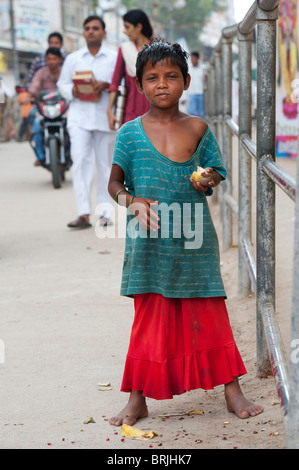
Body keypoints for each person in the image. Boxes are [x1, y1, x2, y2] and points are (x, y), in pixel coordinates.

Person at [107, 39, 264, 426]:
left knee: (208, 310)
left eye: (171, 76)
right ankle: (137, 398)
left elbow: (216, 172)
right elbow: (114, 184)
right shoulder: (129, 134)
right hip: (148, 244)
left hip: (194, 240)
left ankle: (232, 390)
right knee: (150, 318)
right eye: (152, 78)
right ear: (140, 85)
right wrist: (132, 202)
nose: (163, 84)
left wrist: (206, 178)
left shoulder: (198, 127)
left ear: (187, 81)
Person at [57, 16, 117, 229]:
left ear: (104, 33)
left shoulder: (113, 57)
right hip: (79, 117)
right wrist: (72, 90)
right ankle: (83, 213)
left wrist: (108, 85)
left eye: (95, 28)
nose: (91, 31)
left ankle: (105, 214)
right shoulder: (73, 59)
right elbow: (62, 83)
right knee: (80, 161)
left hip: (104, 117)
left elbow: (120, 85)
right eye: (87, 28)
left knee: (105, 166)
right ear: (83, 33)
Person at [107, 9, 153, 130]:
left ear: (139, 27)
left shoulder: (157, 48)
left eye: (127, 27)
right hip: (130, 112)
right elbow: (115, 82)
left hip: (155, 110)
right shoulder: (124, 49)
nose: (124, 31)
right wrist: (109, 111)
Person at [28, 47, 63, 166]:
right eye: (49, 59)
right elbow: (34, 86)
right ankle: (40, 156)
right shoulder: (41, 72)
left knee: (72, 126)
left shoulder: (64, 72)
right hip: (44, 108)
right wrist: (31, 95)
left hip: (62, 109)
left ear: (59, 59)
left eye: (54, 58)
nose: (51, 61)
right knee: (36, 123)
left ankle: (71, 153)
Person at [187, 51, 205, 118]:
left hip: (201, 93)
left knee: (201, 112)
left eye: (193, 58)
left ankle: (201, 126)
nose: (192, 60)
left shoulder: (203, 68)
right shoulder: (189, 69)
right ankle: (192, 127)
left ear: (197, 59)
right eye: (191, 58)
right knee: (191, 112)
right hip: (192, 93)